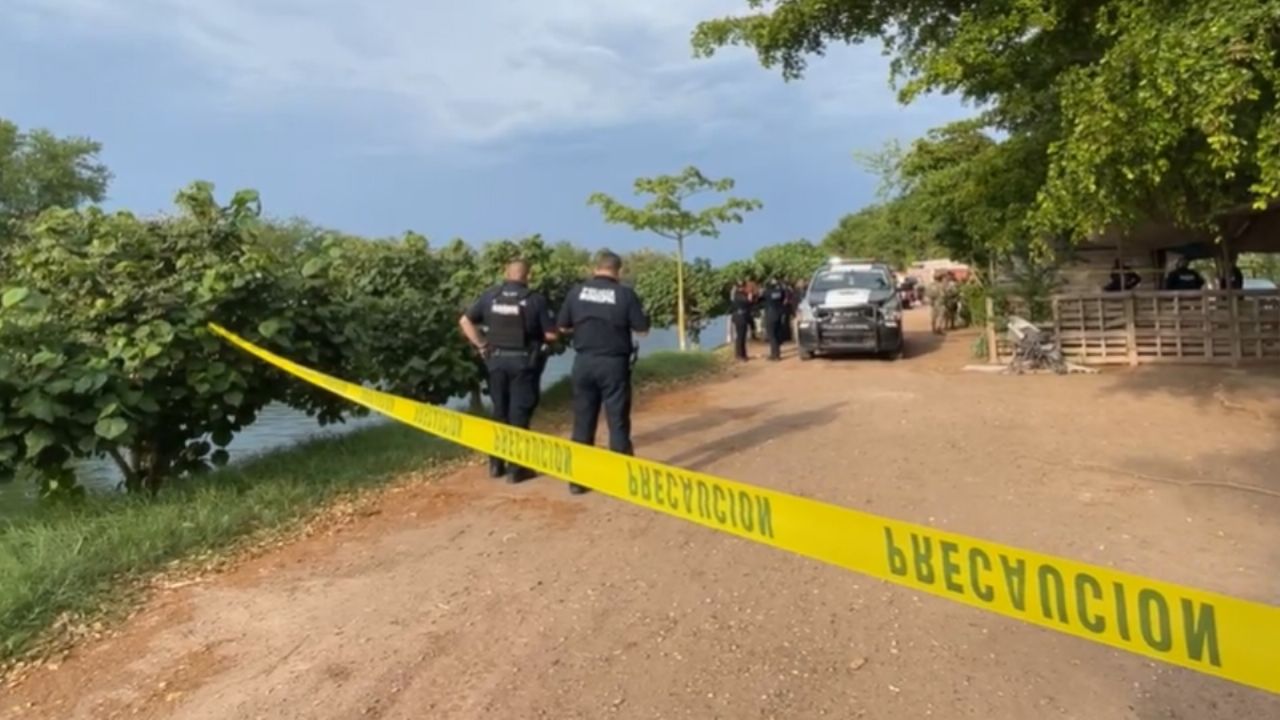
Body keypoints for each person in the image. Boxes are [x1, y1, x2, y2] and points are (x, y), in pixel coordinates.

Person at [557, 250, 650, 495]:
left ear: (594, 268)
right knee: (617, 421)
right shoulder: (625, 294)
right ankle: (620, 478)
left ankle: (577, 480)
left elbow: (562, 326)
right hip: (613, 364)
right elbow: (642, 330)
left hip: (584, 362)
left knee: (583, 421)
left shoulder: (576, 292)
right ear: (619, 270)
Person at [459, 259, 557, 483]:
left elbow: (465, 321)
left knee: (499, 411)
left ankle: (495, 464)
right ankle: (517, 468)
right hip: (524, 364)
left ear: (506, 273)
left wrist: (482, 345)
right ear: (528, 276)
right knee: (518, 414)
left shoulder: (490, 296)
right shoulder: (535, 300)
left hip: (496, 363)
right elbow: (550, 335)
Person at [761, 277, 788, 361]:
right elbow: (784, 297)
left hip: (770, 315)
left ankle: (775, 355)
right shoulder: (780, 292)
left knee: (772, 336)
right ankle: (777, 354)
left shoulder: (766, 292)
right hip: (779, 314)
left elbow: (760, 298)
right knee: (776, 334)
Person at [729, 280, 754, 361]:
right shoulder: (738, 295)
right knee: (740, 337)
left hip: (743, 317)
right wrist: (750, 294)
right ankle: (739, 355)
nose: (743, 288)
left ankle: (743, 354)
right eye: (742, 286)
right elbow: (747, 302)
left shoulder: (742, 294)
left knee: (743, 336)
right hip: (739, 317)